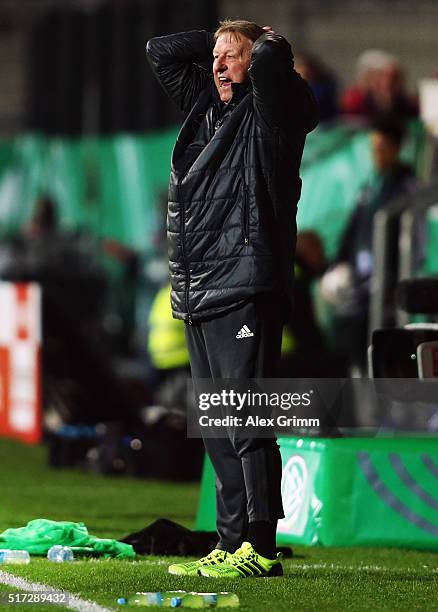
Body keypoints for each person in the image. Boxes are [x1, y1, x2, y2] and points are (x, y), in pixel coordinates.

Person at [146, 19, 318, 578]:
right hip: (199, 291)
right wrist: (218, 39)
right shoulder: (206, 107)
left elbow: (271, 66)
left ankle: (261, 548)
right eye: (214, 57)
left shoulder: (272, 111)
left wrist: (264, 43)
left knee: (247, 420)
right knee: (218, 426)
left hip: (246, 284)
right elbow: (160, 52)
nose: (218, 65)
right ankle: (230, 542)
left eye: (231, 57)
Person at [321, 116, 416, 374]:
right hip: (360, 287)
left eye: (382, 147)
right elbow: (352, 230)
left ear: (396, 148)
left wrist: (391, 277)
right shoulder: (369, 187)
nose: (377, 154)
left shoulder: (406, 189)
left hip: (386, 285)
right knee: (350, 341)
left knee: (383, 350)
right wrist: (338, 264)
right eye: (374, 148)